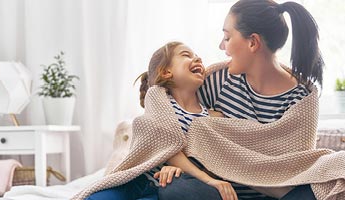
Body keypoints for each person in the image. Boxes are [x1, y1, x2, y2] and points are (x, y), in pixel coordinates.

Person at [158, 0, 323, 199]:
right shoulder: (217, 81)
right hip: (222, 194)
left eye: (227, 37)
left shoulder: (301, 100)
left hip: (278, 196)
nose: (221, 45)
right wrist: (173, 164)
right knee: (176, 189)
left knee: (319, 189)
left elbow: (297, 169)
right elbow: (170, 125)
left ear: (252, 42)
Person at [86, 41, 238, 200]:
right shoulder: (159, 100)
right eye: (186, 55)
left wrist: (182, 173)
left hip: (165, 188)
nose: (198, 59)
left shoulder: (213, 117)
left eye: (197, 56)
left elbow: (216, 161)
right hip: (139, 180)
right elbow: (165, 143)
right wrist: (206, 179)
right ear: (166, 72)